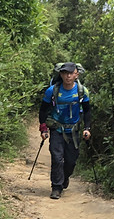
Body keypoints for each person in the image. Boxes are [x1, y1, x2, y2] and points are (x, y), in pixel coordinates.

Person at [38, 62, 92, 199]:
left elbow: (87, 111)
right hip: (57, 129)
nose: (68, 76)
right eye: (65, 73)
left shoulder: (82, 91)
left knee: (71, 161)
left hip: (73, 131)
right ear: (61, 74)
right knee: (57, 158)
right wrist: (43, 128)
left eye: (71, 73)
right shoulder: (52, 91)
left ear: (76, 74)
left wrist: (87, 128)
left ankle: (65, 177)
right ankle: (56, 187)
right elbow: (43, 110)